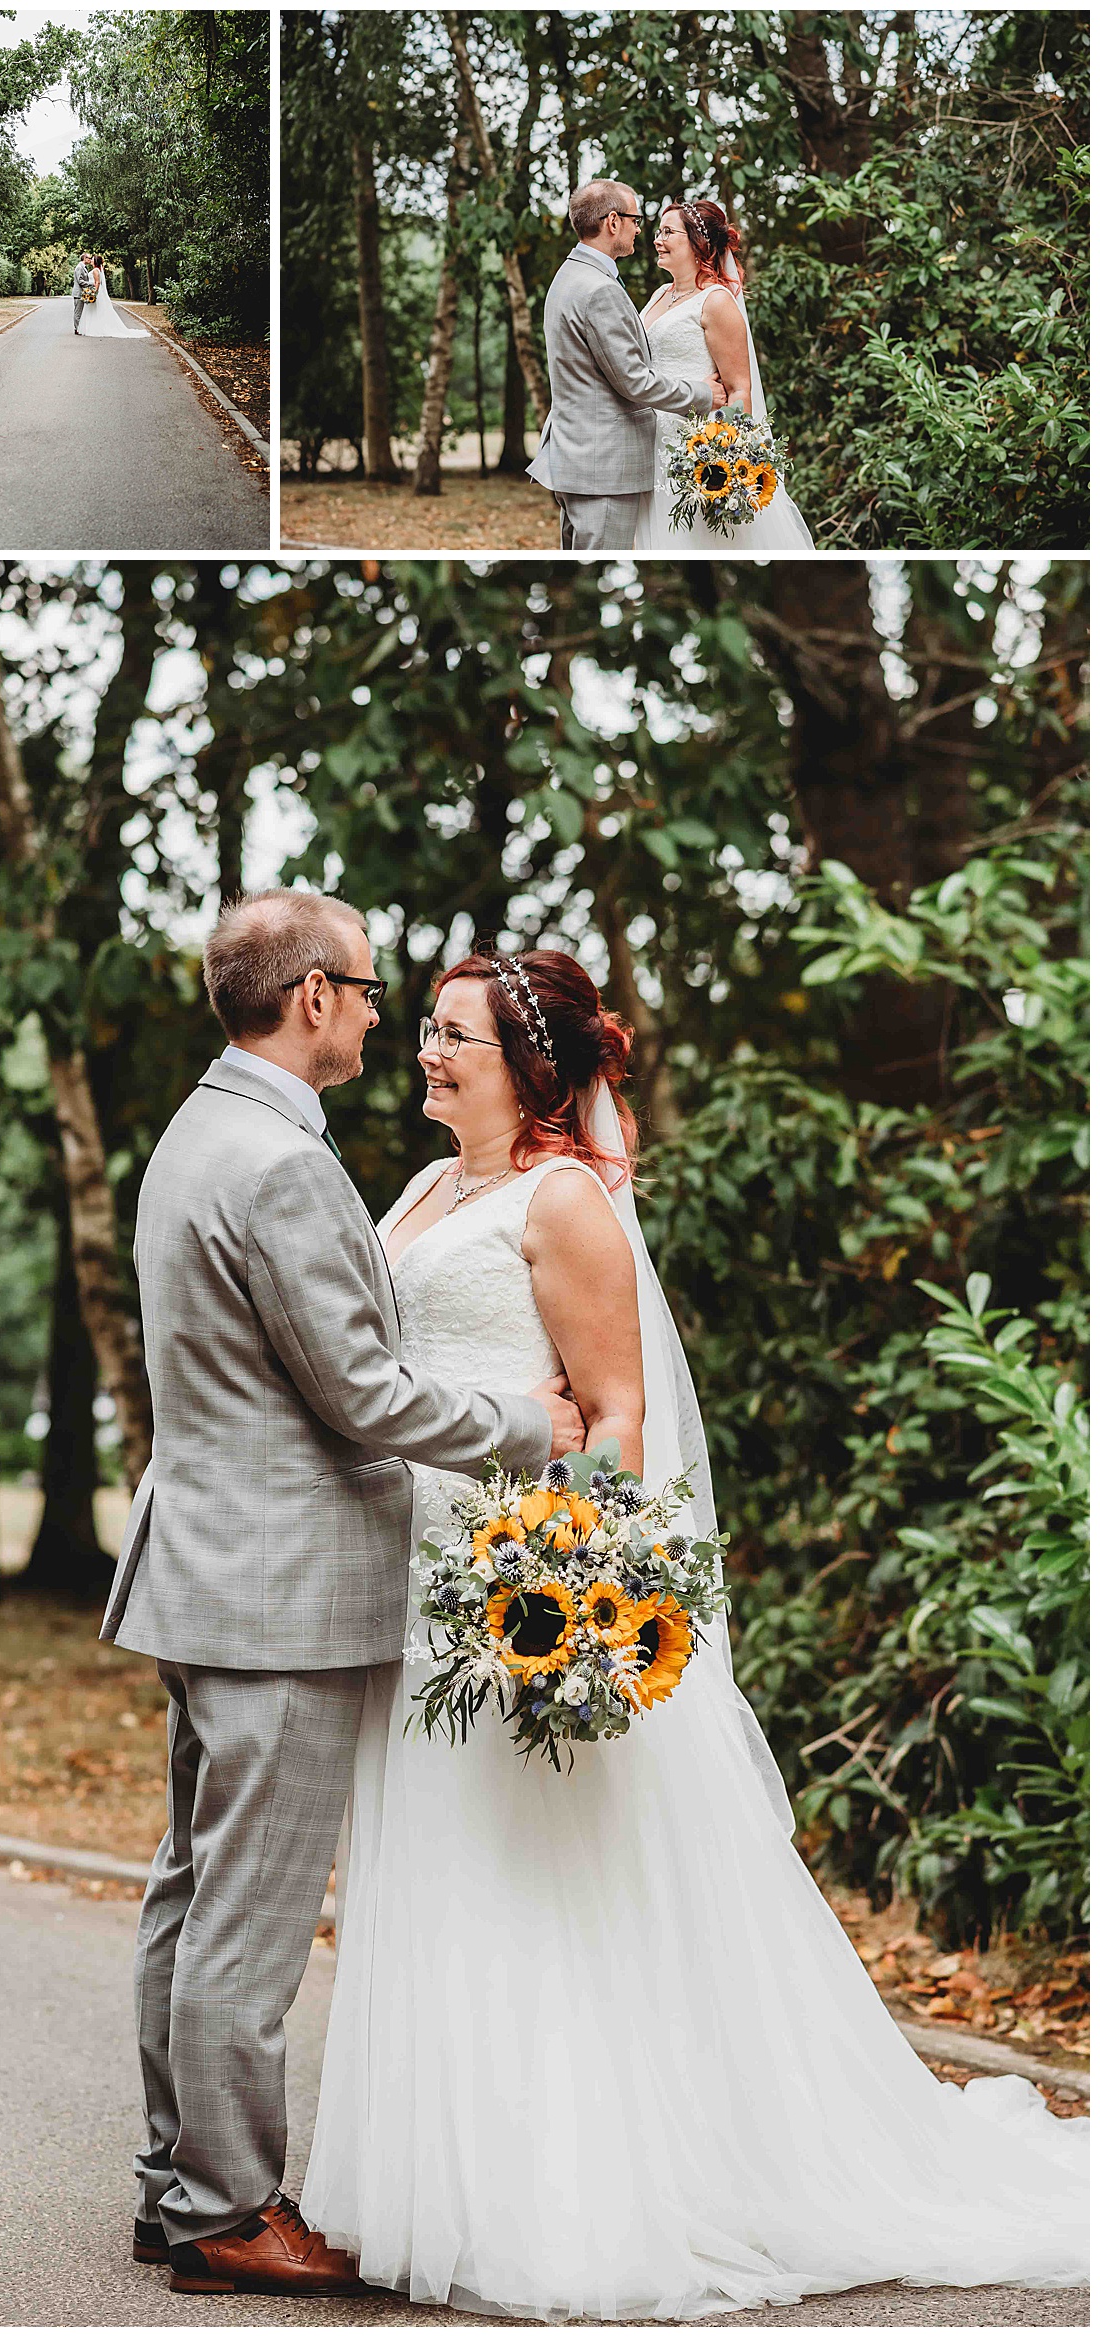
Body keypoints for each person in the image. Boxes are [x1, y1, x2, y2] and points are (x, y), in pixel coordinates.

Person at [300, 947, 1089, 2322]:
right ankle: (454, 2174)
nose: (427, 1052)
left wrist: (557, 1582)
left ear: (528, 1066)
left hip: (518, 1589)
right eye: (424, 1029)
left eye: (456, 1037)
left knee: (539, 1881)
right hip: (417, 1583)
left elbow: (616, 1416)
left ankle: (570, 2193)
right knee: (440, 1865)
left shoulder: (567, 1202)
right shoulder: (426, 1189)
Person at [100, 892, 585, 2298]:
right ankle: (225, 2210)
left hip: (203, 1568)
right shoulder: (283, 1165)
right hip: (278, 1589)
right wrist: (524, 1422)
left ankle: (169, 2183)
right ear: (313, 997)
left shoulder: (199, 1134)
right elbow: (360, 1392)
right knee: (243, 1917)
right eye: (372, 992)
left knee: (189, 1896)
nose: (381, 1017)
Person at [527, 177, 724, 552]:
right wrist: (703, 394)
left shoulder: (568, 275)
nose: (641, 230)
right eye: (636, 219)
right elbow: (634, 381)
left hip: (578, 457)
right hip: (603, 468)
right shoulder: (599, 289)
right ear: (613, 222)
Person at [634, 197, 814, 550]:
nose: (657, 239)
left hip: (692, 453)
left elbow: (740, 389)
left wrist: (725, 459)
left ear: (698, 244)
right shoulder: (660, 294)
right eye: (658, 230)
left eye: (668, 232)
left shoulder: (716, 301)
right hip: (650, 446)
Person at [78, 254, 150, 341]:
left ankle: (95, 329)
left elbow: (97, 283)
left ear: (95, 261)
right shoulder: (98, 269)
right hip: (97, 292)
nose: (91, 260)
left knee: (95, 311)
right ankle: (95, 327)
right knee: (96, 311)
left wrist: (93, 293)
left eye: (92, 259)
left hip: (96, 292)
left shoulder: (95, 270)